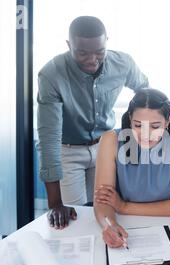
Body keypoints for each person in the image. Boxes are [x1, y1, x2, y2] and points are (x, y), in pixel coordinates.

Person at [37, 16, 149, 229]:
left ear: (107, 41)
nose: (92, 59)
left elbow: (144, 91)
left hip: (105, 146)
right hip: (68, 151)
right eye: (82, 53)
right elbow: (49, 137)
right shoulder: (51, 74)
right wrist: (55, 204)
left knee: (105, 210)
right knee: (74, 219)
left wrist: (130, 129)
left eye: (99, 51)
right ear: (69, 45)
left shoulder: (122, 63)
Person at [93, 88, 170, 248]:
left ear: (168, 121)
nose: (145, 134)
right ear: (130, 118)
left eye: (155, 126)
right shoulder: (111, 140)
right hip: (127, 224)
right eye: (138, 125)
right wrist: (110, 225)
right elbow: (103, 200)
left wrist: (123, 207)